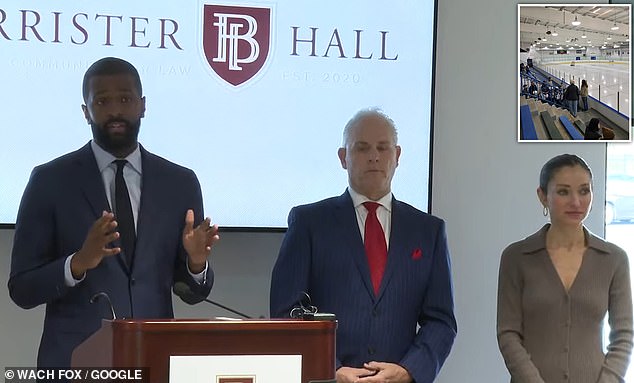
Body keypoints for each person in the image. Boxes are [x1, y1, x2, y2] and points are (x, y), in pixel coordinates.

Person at [8, 57, 219, 373]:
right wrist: (77, 263)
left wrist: (195, 264)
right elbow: (22, 289)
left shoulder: (179, 182)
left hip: (156, 361)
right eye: (102, 101)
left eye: (125, 99)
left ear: (142, 105)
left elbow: (191, 293)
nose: (115, 110)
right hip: (75, 365)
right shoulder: (50, 181)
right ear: (86, 111)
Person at [270, 108, 457, 383]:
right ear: (343, 158)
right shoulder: (309, 222)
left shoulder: (428, 231)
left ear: (397, 156)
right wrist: (329, 368)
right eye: (362, 148)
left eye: (383, 147)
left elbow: (441, 320)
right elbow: (287, 312)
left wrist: (409, 371)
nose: (374, 156)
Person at [497, 154, 633, 383]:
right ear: (542, 196)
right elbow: (508, 333)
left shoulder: (613, 259)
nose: (576, 202)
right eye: (563, 192)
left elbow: (624, 335)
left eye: (584, 191)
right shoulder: (516, 257)